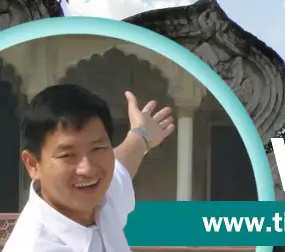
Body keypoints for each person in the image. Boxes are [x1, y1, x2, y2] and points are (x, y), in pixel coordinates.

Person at [3, 84, 176, 252]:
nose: (88, 169)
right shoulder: (35, 246)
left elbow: (122, 165)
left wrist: (142, 134)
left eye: (97, 148)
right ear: (33, 164)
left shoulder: (101, 200)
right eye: (67, 155)